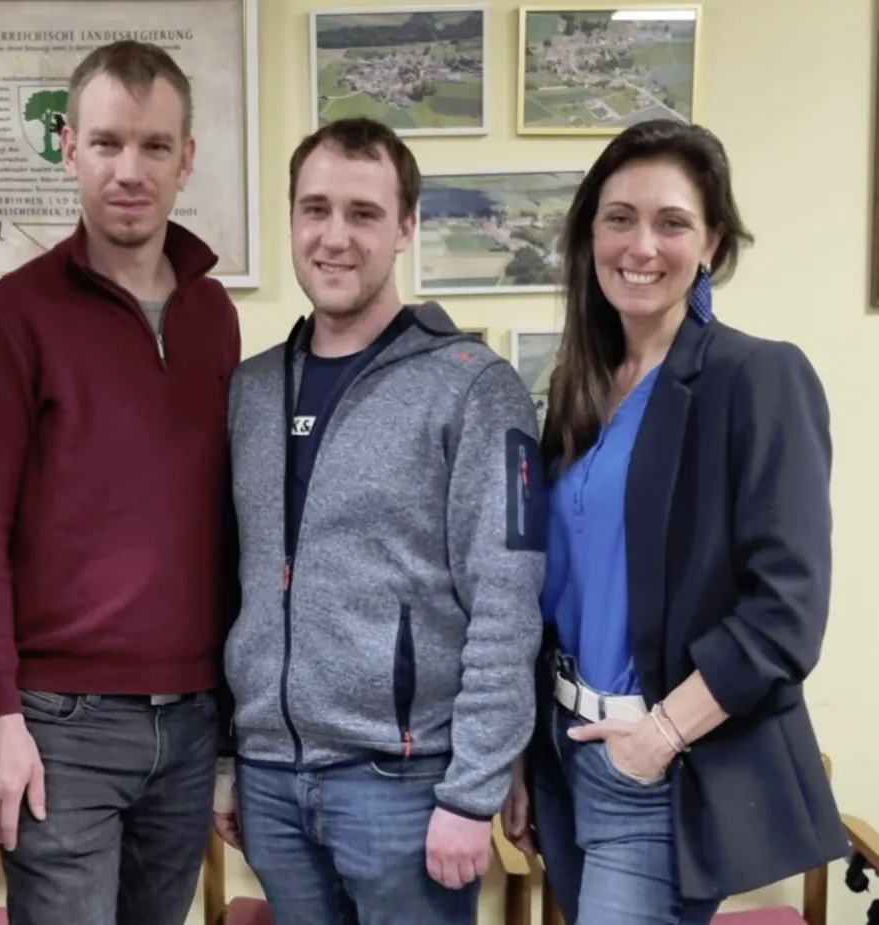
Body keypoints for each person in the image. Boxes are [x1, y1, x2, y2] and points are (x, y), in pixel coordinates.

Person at [499, 118, 850, 923]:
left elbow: (786, 611)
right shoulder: (580, 388)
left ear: (713, 240)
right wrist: (524, 755)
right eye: (619, 217)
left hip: (659, 768)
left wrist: (657, 737)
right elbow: (548, 592)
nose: (641, 245)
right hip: (565, 755)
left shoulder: (755, 377)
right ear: (590, 233)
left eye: (672, 222)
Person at [215, 116, 547, 925]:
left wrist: (472, 791)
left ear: (405, 228)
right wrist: (230, 756)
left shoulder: (472, 386)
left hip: (405, 788)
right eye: (315, 209)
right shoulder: (251, 390)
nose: (335, 237)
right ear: (291, 219)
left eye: (363, 213)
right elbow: (234, 583)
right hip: (272, 782)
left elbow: (508, 600)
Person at [0, 39, 241, 925]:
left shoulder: (213, 312)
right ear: (69, 147)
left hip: (190, 719)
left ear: (186, 158)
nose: (130, 169)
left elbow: (226, 523)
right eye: (109, 142)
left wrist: (229, 728)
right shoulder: (11, 317)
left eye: (155, 146)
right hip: (58, 724)